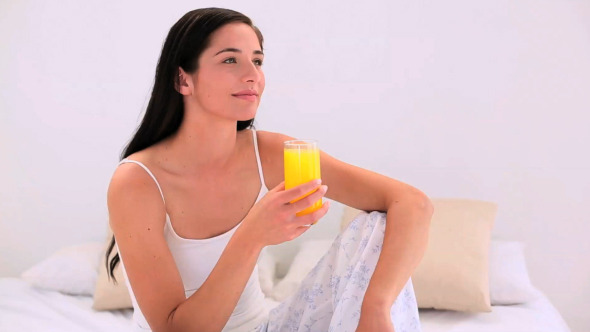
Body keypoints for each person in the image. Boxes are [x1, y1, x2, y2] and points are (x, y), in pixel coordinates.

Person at [106, 7, 433, 332]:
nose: (253, 75)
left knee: (374, 228)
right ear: (183, 79)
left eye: (258, 61)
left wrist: (376, 307)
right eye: (230, 60)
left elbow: (412, 203)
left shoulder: (271, 153)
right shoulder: (136, 182)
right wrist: (252, 235)